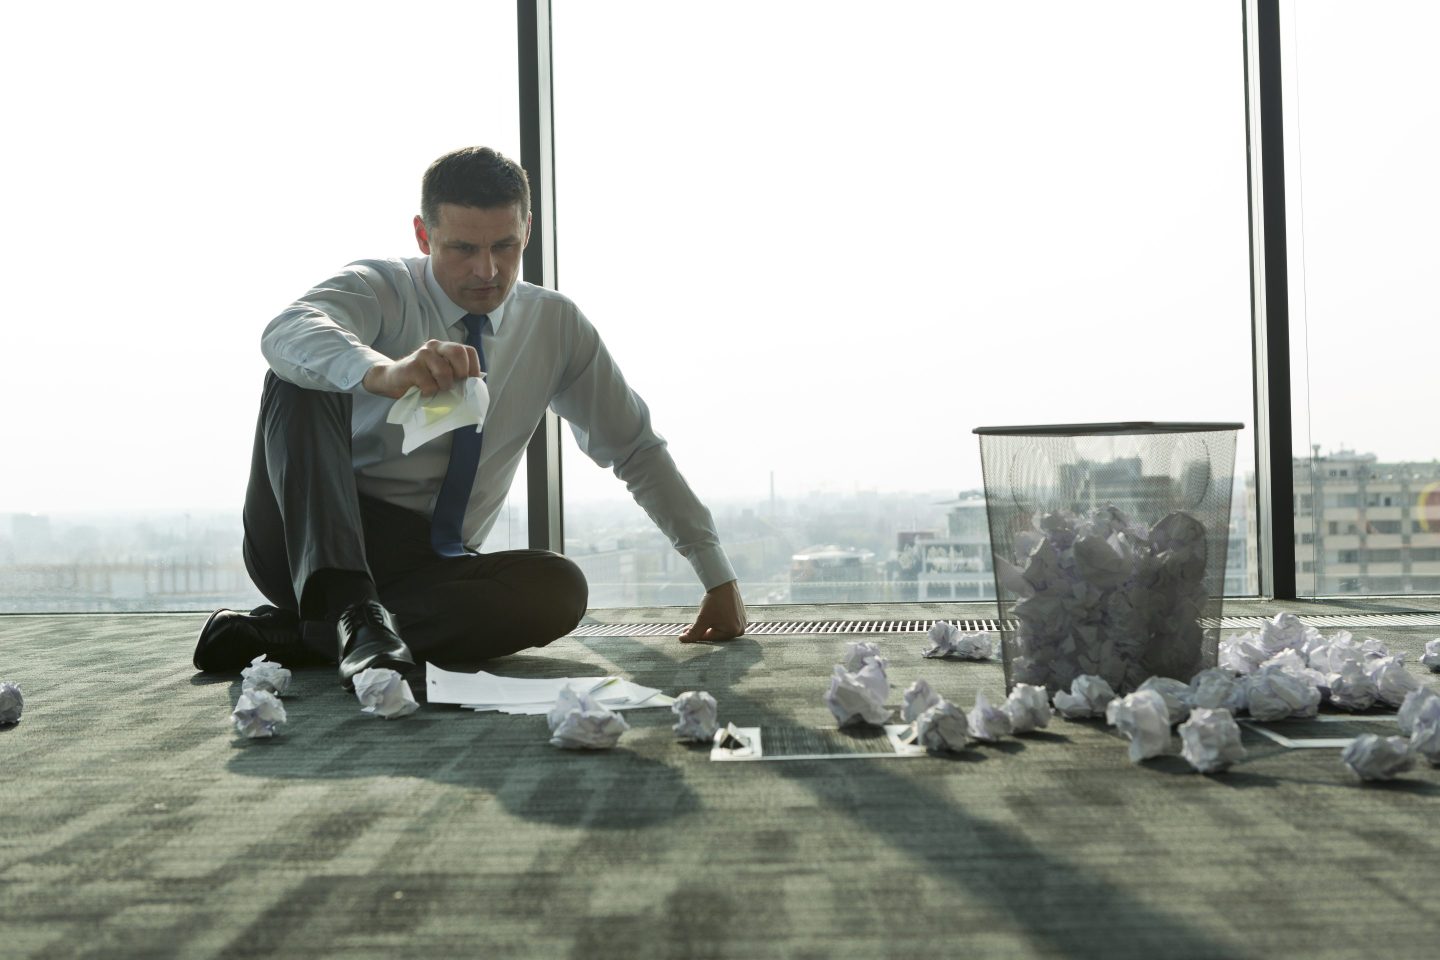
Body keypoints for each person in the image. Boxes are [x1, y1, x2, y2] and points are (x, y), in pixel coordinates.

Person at [193, 146, 747, 687]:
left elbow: (634, 448)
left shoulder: (554, 325)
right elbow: (287, 329)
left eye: (505, 246)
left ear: (526, 231)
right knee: (300, 374)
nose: (487, 270)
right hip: (309, 535)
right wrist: (383, 373)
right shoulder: (381, 287)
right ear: (422, 235)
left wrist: (715, 572)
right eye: (462, 249)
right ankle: (343, 608)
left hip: (429, 563)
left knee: (559, 588)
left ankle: (309, 634)